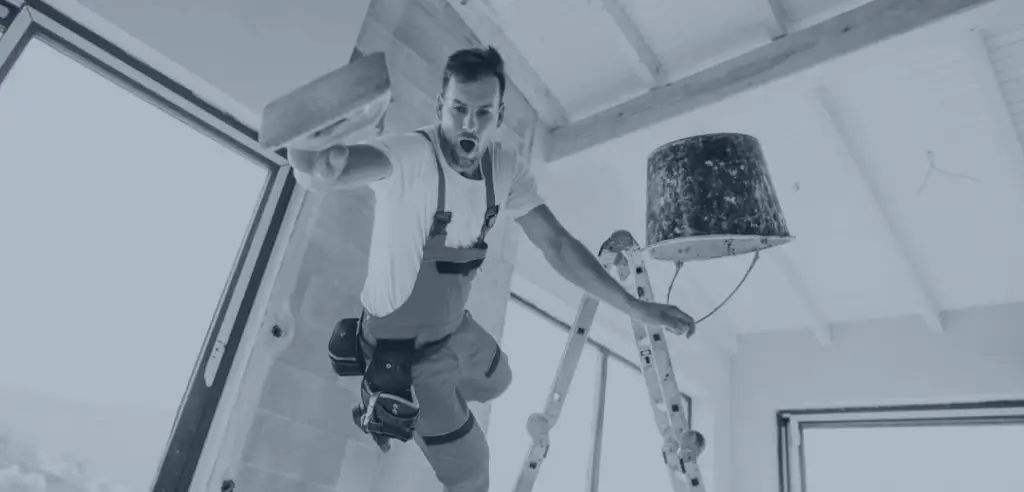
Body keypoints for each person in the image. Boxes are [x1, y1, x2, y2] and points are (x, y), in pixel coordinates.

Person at [289, 46, 695, 492]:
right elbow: (321, 171)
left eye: (483, 112)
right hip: (402, 349)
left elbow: (557, 245)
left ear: (499, 115)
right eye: (459, 109)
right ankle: (390, 393)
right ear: (440, 106)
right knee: (472, 471)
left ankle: (403, 411)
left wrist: (639, 308)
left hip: (450, 329)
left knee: (497, 379)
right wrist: (311, 151)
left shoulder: (504, 171)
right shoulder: (410, 156)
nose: (469, 124)